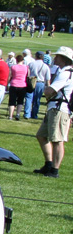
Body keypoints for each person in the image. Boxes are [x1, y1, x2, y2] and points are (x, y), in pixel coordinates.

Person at [34, 46, 73, 178]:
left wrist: (46, 91)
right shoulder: (65, 71)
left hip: (59, 109)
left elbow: (50, 91)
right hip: (54, 107)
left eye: (57, 56)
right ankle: (49, 164)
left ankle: (54, 169)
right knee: (41, 135)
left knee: (57, 140)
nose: (55, 58)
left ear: (63, 58)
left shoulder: (65, 73)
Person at [25, 51, 50, 119]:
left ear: (36, 56)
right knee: (37, 100)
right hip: (40, 83)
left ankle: (27, 114)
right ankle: (34, 114)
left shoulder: (31, 64)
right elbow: (47, 78)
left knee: (28, 98)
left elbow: (27, 74)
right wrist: (48, 87)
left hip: (31, 82)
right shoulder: (45, 66)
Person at [7, 52, 29, 121]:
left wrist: (7, 84)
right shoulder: (26, 67)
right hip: (22, 85)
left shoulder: (13, 67)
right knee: (20, 101)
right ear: (22, 60)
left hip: (14, 84)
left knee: (12, 101)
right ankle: (18, 114)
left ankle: (10, 116)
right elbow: (27, 76)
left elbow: (10, 76)